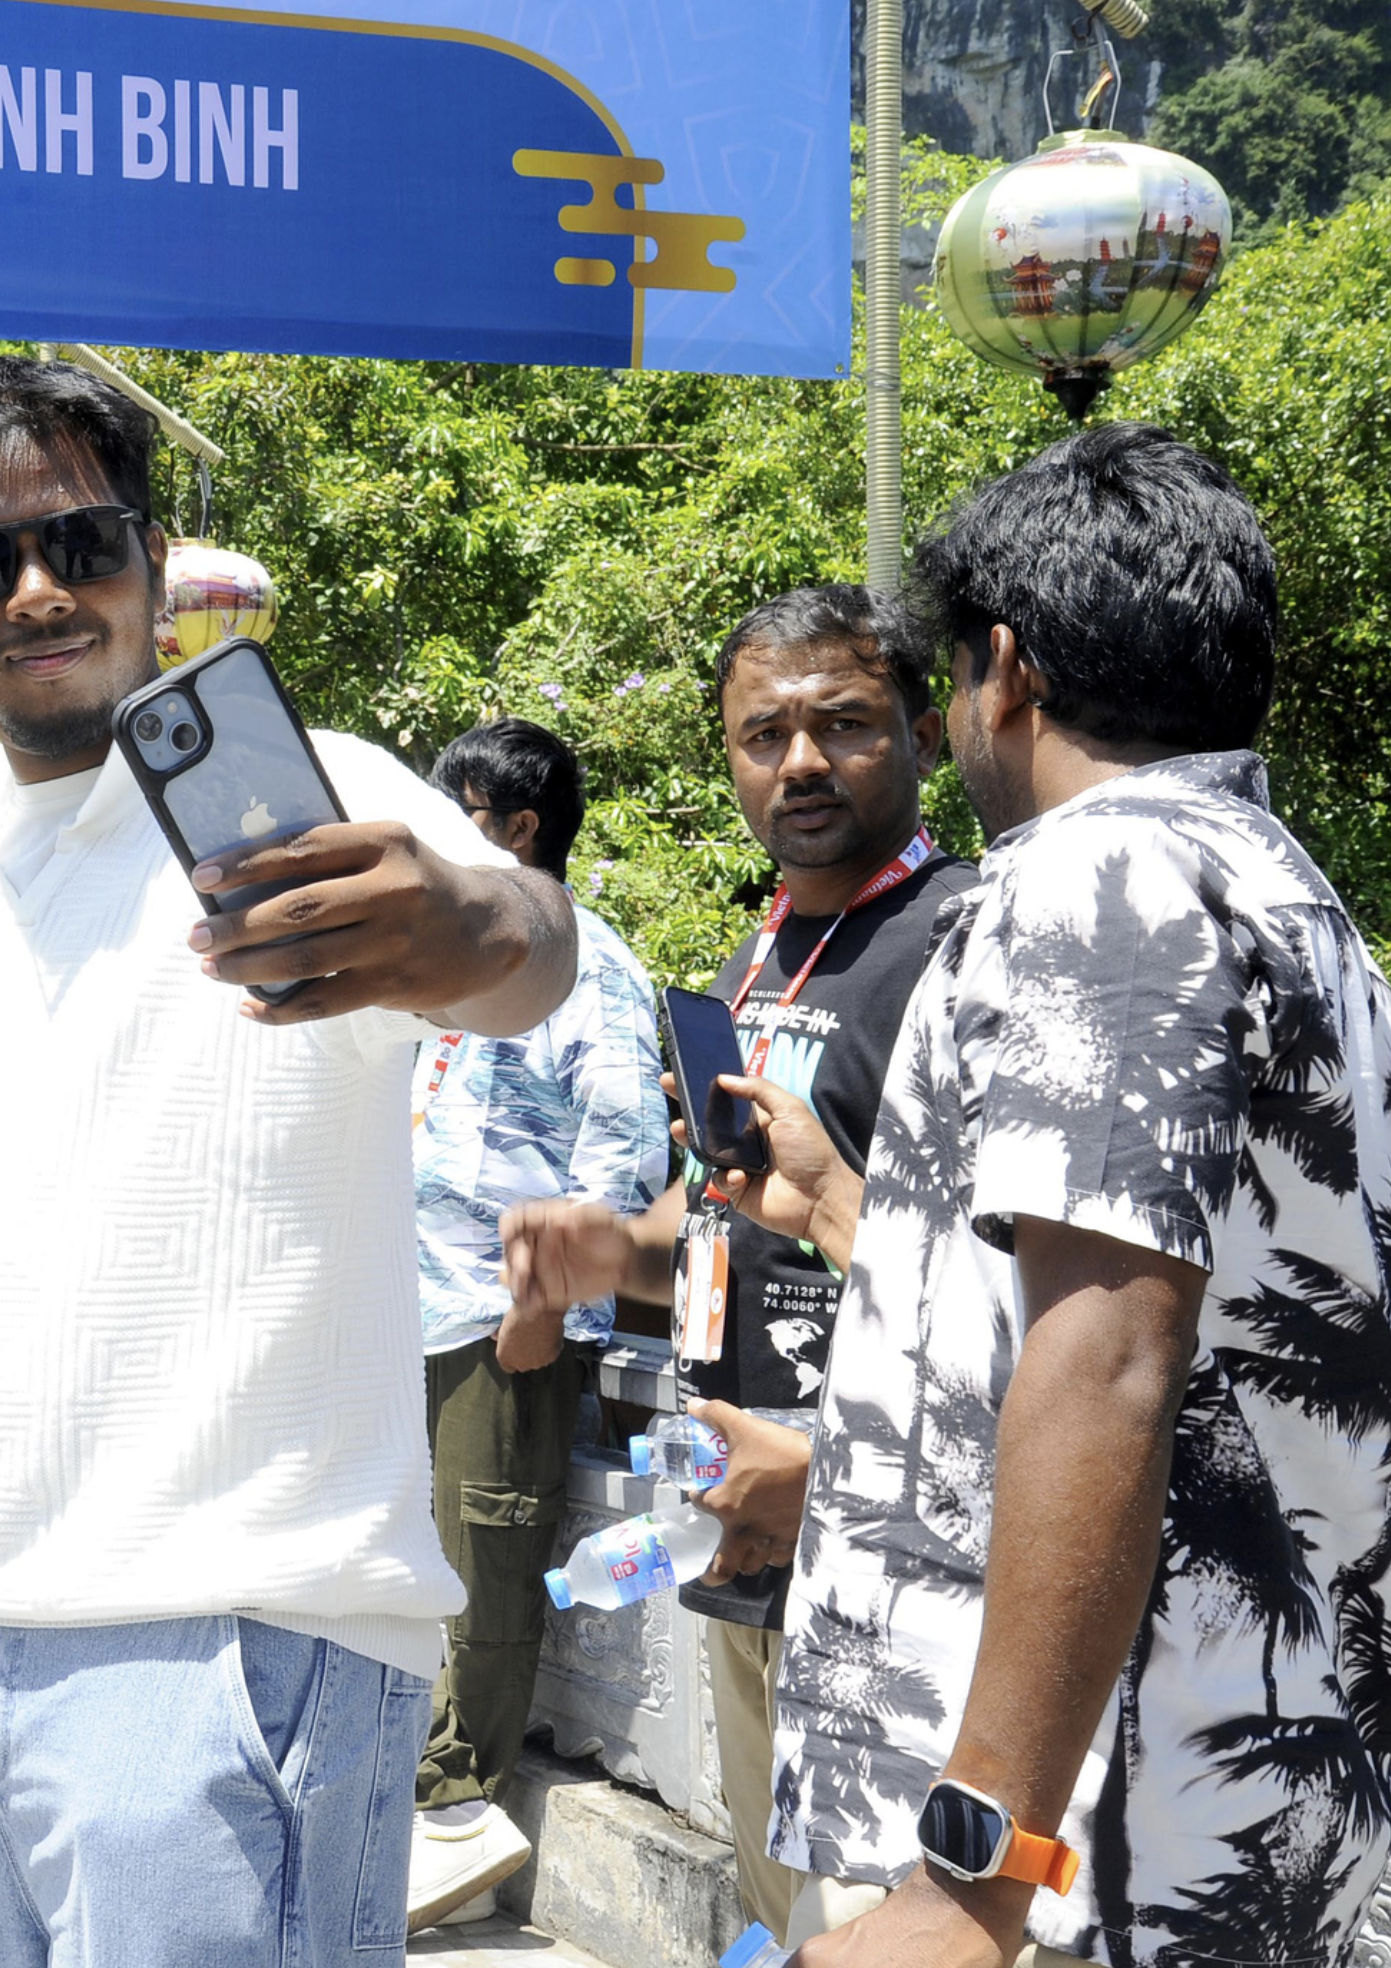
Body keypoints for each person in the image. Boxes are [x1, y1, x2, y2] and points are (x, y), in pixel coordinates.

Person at [0, 356, 578, 1968]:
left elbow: (531, 957)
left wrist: (471, 922)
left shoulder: (306, 798)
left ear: (155, 557)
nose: (40, 590)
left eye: (84, 542)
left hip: (228, 1646)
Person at [689, 426, 1391, 1968]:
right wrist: (834, 1207)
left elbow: (1113, 1362)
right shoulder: (1277, 884)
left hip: (1083, 1860)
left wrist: (972, 1871)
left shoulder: (1101, 884)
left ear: (1003, 671)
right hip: (1206, 1807)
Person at [499, 584, 975, 1940]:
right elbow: (716, 1221)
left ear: (929, 734)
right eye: (764, 734)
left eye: (844, 725)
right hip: (739, 1526)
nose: (801, 762)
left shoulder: (956, 941)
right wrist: (609, 1249)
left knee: (890, 1914)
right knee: (785, 1903)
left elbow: (998, 1281)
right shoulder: (762, 953)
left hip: (886, 1531)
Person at [405, 718, 668, 1929]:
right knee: (419, 1570)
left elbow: (619, 1152)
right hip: (408, 1309)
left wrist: (536, 1318)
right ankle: (408, 1801)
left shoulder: (588, 966)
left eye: (448, 814)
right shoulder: (455, 959)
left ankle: (458, 1824)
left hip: (495, 1320)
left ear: (512, 830)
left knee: (484, 1574)